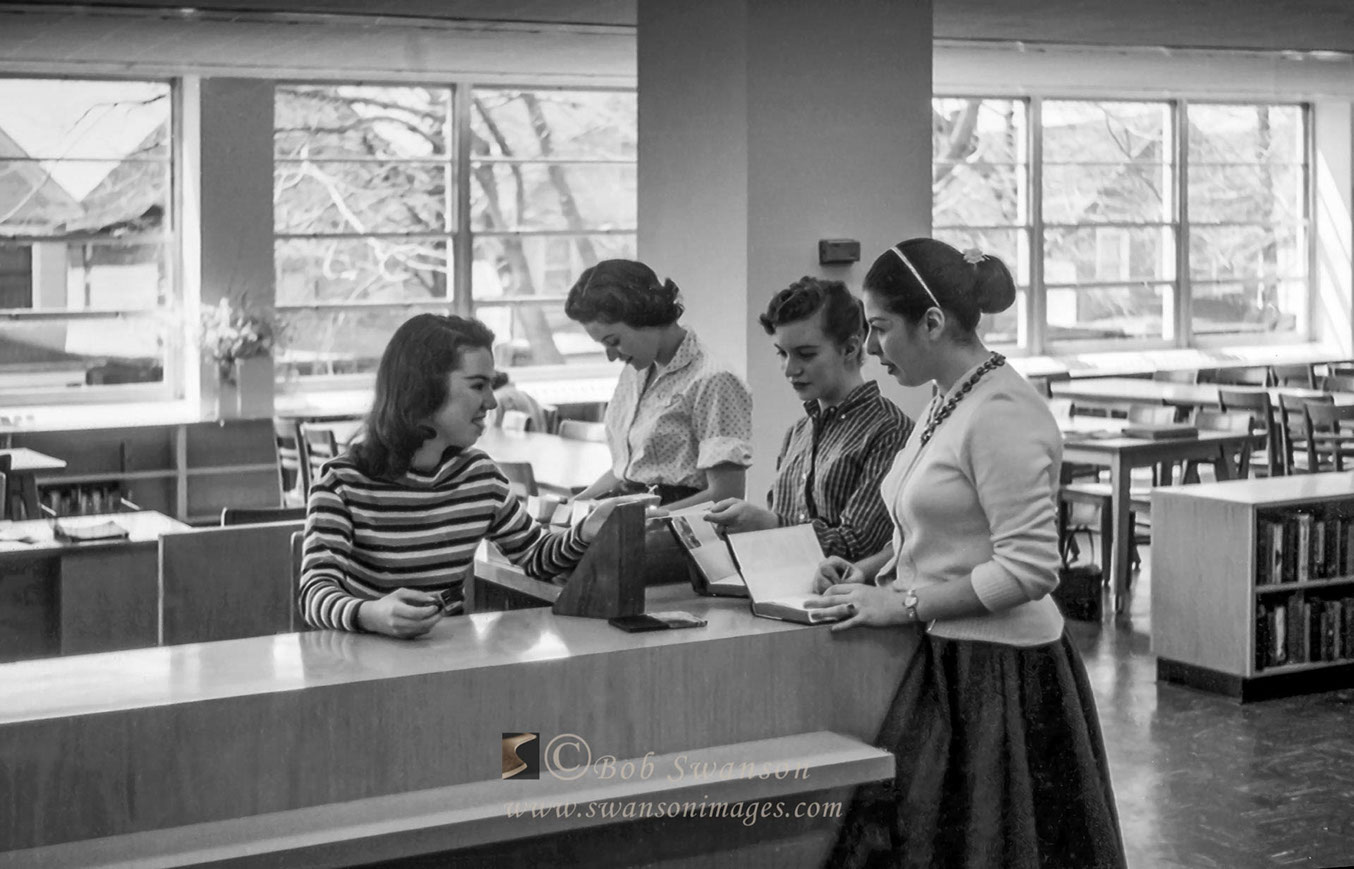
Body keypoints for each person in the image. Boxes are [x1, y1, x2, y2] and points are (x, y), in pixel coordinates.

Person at [805, 239, 1126, 868]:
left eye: (880, 328)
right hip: (950, 651)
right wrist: (870, 568)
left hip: (1001, 671)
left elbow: (1029, 570)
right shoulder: (947, 397)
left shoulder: (1002, 412)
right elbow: (936, 525)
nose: (871, 347)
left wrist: (902, 604)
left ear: (931, 322)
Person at [298, 314, 623, 639]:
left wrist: (586, 530)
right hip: (362, 659)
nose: (492, 401)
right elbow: (314, 594)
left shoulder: (481, 477)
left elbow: (537, 557)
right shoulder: (341, 481)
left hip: (449, 656)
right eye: (478, 385)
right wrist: (371, 614)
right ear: (424, 389)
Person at [702, 276, 913, 561]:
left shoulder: (890, 431)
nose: (790, 370)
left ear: (850, 348)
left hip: (849, 589)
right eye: (782, 353)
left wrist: (769, 526)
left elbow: (859, 548)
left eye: (806, 355)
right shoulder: (798, 433)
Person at [565, 259, 753, 510]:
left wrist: (643, 520)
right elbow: (627, 473)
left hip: (681, 527)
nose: (611, 356)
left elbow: (726, 495)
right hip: (639, 517)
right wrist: (572, 506)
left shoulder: (713, 380)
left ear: (643, 316)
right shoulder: (635, 373)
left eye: (613, 341)